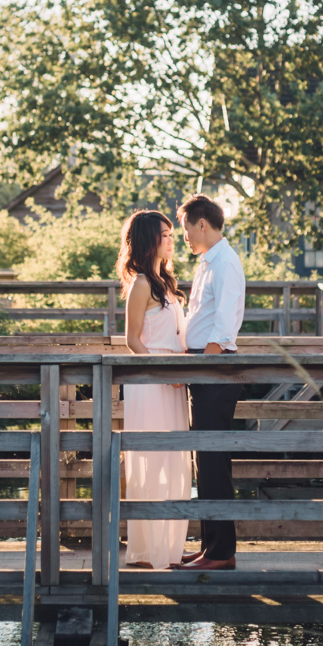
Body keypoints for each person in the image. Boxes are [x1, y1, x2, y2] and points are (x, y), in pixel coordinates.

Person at [175, 194, 246, 570]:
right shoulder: (208, 262)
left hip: (214, 367)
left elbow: (222, 326)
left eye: (186, 227)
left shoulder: (226, 263)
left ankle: (222, 552)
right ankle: (210, 546)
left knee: (214, 459)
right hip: (203, 365)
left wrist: (203, 366)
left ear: (202, 223)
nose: (184, 235)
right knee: (205, 459)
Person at [117, 209, 191, 569]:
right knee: (150, 461)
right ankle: (148, 550)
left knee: (177, 463)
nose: (171, 239)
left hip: (175, 380)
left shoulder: (167, 282)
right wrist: (163, 373)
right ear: (149, 239)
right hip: (150, 381)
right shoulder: (141, 284)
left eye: (172, 234)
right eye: (165, 234)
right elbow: (132, 340)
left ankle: (171, 548)